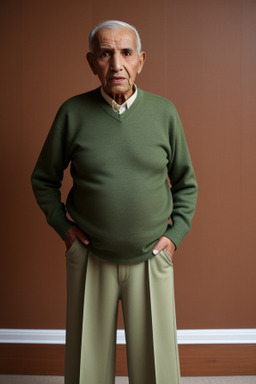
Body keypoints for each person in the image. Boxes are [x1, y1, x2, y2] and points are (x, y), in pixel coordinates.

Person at [31, 20, 198, 384]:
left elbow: (186, 183)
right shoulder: (72, 113)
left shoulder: (164, 112)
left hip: (152, 257)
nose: (116, 64)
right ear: (92, 62)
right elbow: (43, 179)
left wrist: (175, 236)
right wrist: (65, 229)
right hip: (90, 257)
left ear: (140, 60)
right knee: (86, 368)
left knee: (158, 369)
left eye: (125, 53)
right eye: (105, 54)